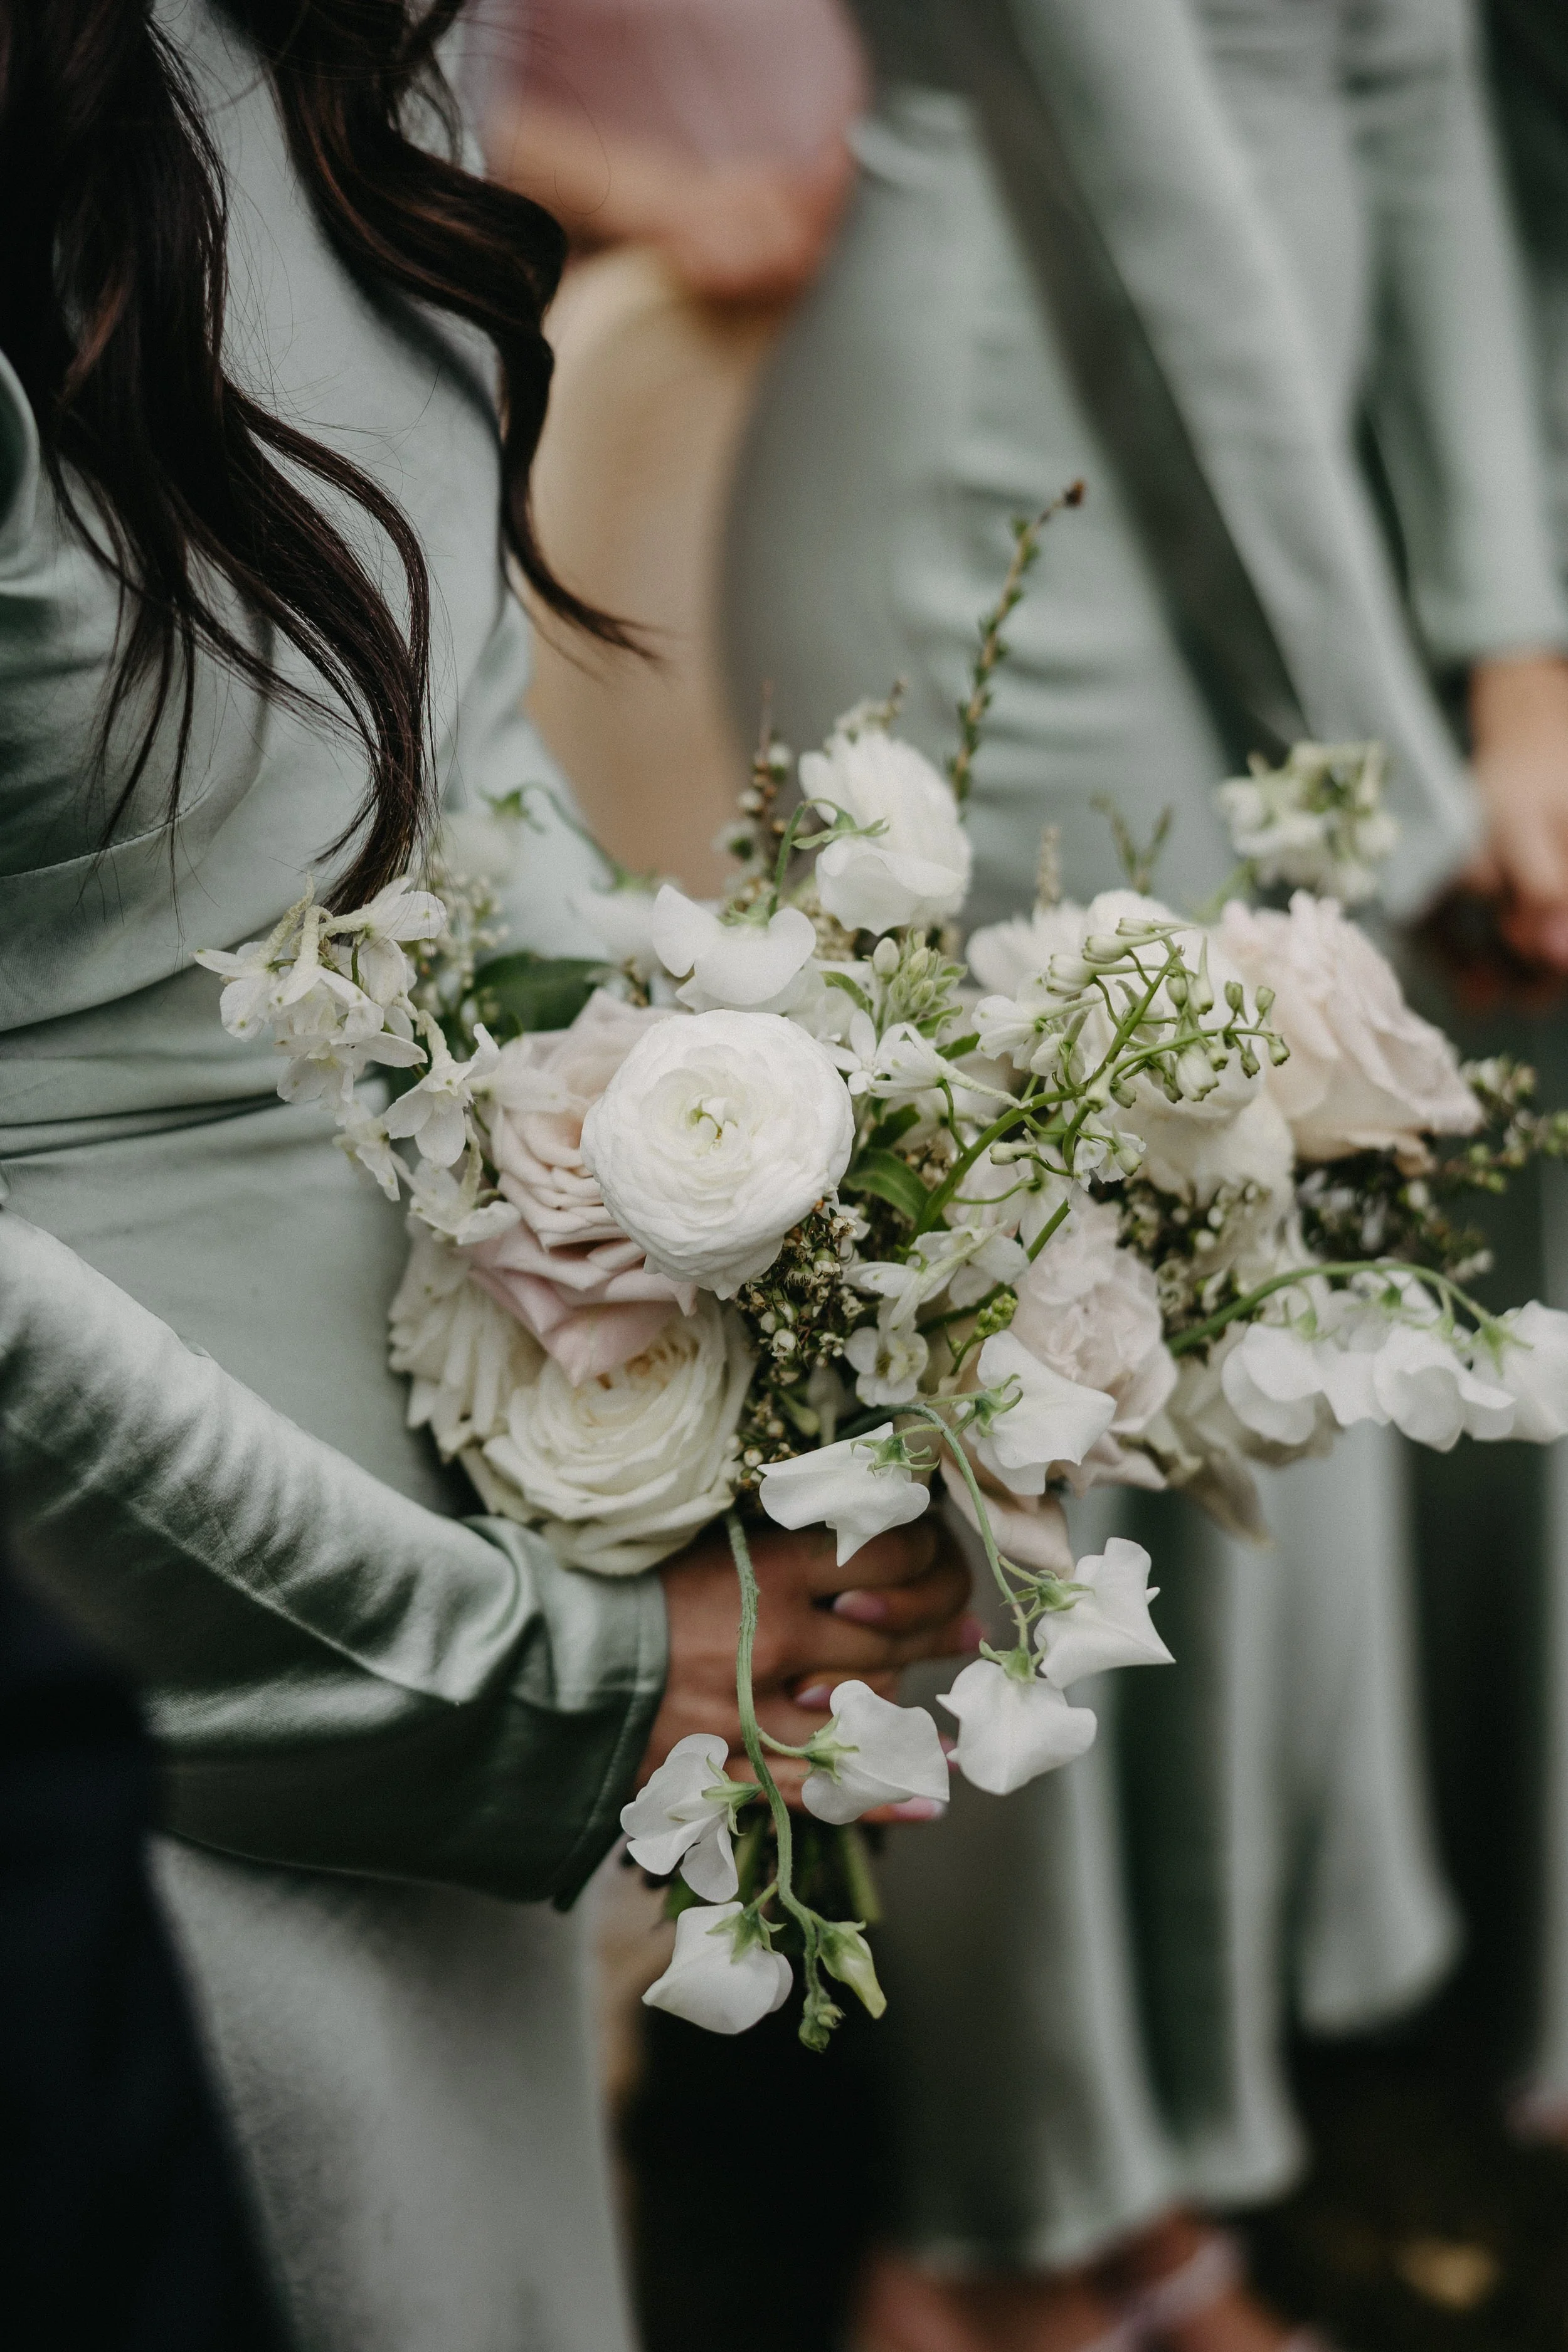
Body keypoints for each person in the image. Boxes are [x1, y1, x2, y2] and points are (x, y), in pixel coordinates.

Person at [0, 7, 970, 2348]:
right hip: (147, 1700)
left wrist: (796, 1242)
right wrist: (525, 1678)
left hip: (487, 1527)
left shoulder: (346, 37)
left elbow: (446, 777)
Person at [723, 2, 1568, 2346]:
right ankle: (983, 2235)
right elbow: (1158, 193)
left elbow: (1408, 94)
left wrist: (1513, 658)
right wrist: (1387, 785)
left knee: (1208, 1371)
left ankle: (1144, 2180)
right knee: (1016, 1410)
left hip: (1269, 543)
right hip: (1007, 491)